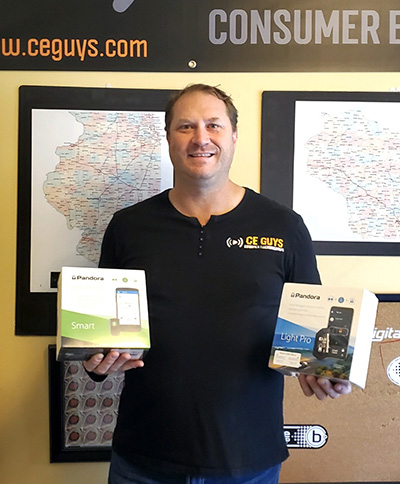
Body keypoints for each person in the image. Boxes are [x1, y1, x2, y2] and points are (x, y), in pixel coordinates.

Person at [83, 84, 351, 484]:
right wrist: (95, 363)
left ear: (234, 136)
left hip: (249, 461)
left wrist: (327, 373)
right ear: (168, 138)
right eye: (185, 126)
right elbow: (98, 339)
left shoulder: (284, 226)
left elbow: (317, 334)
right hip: (144, 459)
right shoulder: (128, 227)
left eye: (213, 125)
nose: (201, 138)